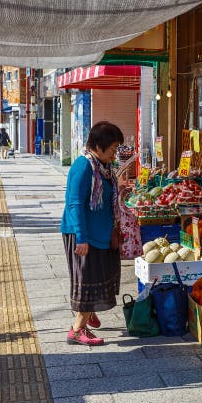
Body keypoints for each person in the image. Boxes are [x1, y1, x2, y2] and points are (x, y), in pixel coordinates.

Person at [60, 121, 124, 346]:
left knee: (98, 279)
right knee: (88, 281)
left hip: (100, 236)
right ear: (98, 145)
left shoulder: (102, 168)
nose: (115, 154)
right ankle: (76, 330)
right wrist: (82, 237)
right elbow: (75, 203)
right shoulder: (83, 166)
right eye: (113, 149)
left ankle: (87, 316)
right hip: (84, 236)